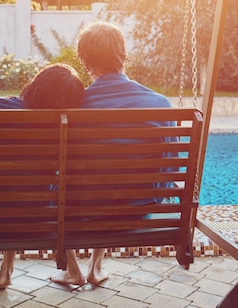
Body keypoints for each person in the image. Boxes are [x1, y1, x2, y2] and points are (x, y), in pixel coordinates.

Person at [50, 20, 172, 287]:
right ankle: (96, 267)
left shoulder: (73, 108)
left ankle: (74, 270)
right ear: (122, 55)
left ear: (84, 60)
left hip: (83, 212)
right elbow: (168, 171)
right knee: (118, 180)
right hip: (140, 211)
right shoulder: (160, 105)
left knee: (62, 189)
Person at [0, 63, 85, 290]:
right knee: (29, 188)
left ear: (36, 84)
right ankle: (7, 268)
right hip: (32, 218)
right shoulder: (57, 129)